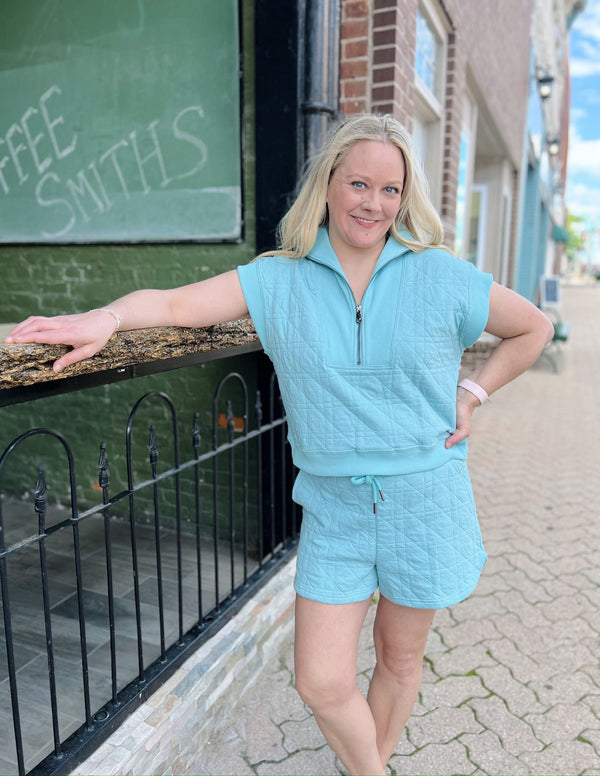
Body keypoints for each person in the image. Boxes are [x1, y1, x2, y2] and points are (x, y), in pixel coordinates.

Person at [5, 114, 553, 776]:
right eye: (358, 183)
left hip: (424, 497)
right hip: (334, 508)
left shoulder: (441, 275)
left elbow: (533, 329)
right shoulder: (277, 280)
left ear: (405, 198)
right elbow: (177, 306)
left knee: (399, 658)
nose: (373, 204)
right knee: (321, 682)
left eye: (389, 190)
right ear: (327, 185)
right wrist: (108, 316)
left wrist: (473, 394)